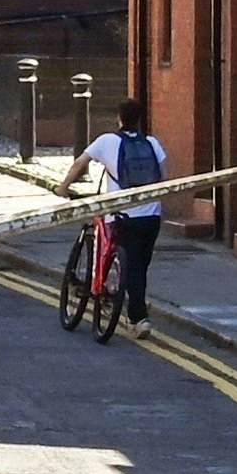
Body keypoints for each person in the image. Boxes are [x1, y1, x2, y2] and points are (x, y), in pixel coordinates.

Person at [73, 95, 173, 333]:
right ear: (139, 120)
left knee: (130, 265)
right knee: (140, 266)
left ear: (119, 118)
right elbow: (164, 177)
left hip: (122, 217)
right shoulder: (151, 143)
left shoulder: (107, 141)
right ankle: (130, 309)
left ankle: (139, 318)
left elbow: (79, 164)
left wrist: (63, 188)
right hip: (151, 217)